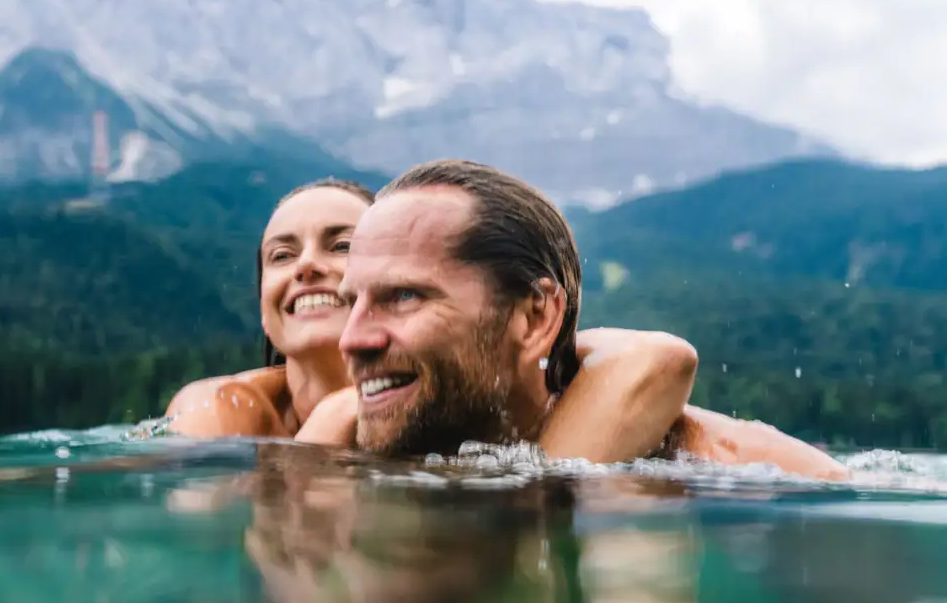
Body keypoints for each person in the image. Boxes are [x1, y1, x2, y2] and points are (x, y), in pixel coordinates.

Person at [328, 159, 847, 479]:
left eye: (404, 296)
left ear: (534, 318)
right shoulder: (357, 427)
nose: (352, 340)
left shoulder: (713, 467)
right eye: (352, 302)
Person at [159, 176, 701, 459]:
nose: (307, 267)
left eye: (341, 245)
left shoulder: (436, 399)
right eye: (280, 255)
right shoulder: (225, 408)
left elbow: (650, 357)